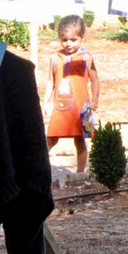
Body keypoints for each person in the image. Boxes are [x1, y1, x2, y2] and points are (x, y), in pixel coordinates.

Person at [45, 13, 100, 172]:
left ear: (82, 38)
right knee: (51, 139)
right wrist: (45, 102)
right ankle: (39, 168)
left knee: (80, 140)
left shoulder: (86, 57)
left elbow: (95, 79)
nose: (68, 43)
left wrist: (95, 100)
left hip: (81, 107)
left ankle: (80, 173)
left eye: (73, 39)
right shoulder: (55, 58)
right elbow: (50, 81)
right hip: (61, 106)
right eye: (64, 40)